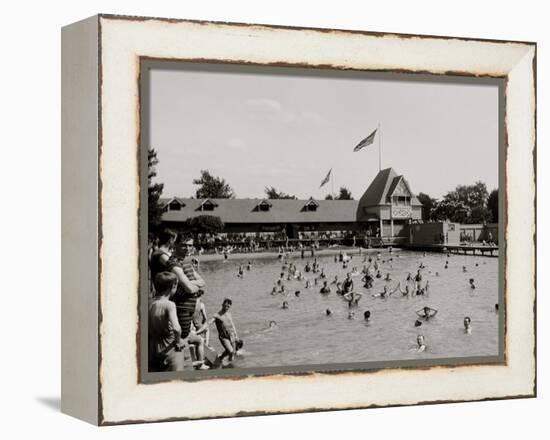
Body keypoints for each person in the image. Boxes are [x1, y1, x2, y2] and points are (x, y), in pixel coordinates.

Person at [148, 272, 185, 372]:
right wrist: (178, 342)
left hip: (153, 350)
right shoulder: (169, 305)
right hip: (170, 350)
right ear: (173, 287)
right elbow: (177, 328)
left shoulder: (149, 302)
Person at [211, 298, 239, 365]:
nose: (226, 307)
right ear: (222, 305)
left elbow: (232, 325)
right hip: (223, 337)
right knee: (231, 351)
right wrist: (205, 326)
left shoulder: (229, 314)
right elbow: (210, 321)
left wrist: (236, 335)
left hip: (231, 335)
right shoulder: (217, 315)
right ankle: (228, 364)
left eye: (228, 306)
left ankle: (224, 360)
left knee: (231, 352)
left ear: (230, 307)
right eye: (225, 305)